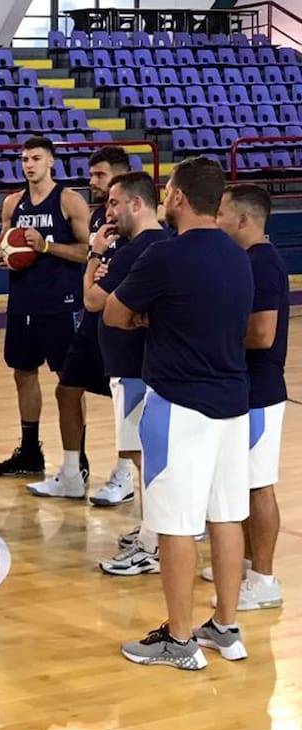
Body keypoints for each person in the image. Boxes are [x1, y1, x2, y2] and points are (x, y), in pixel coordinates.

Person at [104, 157, 253, 670]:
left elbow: (114, 313)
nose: (166, 196)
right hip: (235, 402)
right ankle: (227, 628)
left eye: (168, 189)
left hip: (180, 404)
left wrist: (151, 315)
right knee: (227, 516)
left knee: (174, 524)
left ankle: (180, 638)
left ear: (179, 199)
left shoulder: (165, 257)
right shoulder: (240, 257)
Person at [27, 145, 131, 500]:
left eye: (100, 174)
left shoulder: (139, 219)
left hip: (125, 317)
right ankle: (71, 473)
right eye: (92, 174)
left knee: (126, 400)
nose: (92, 181)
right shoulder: (99, 217)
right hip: (93, 315)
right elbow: (90, 261)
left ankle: (125, 475)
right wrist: (96, 263)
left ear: (120, 175)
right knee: (66, 389)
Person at [0, 136, 91, 477]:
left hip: (61, 302)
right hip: (23, 301)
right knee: (23, 373)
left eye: (35, 158)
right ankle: (30, 452)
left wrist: (46, 245)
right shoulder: (12, 203)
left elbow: (85, 252)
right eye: (24, 159)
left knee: (70, 380)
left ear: (51, 162)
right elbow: (5, 248)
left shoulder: (69, 201)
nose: (28, 164)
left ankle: (80, 457)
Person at [91, 172, 171, 577]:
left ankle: (154, 543)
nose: (108, 211)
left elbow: (91, 300)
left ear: (137, 204)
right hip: (143, 366)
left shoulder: (135, 250)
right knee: (149, 456)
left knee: (147, 458)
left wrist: (94, 255)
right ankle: (155, 533)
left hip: (134, 368)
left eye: (113, 203)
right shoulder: (165, 245)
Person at [212, 184, 287, 610]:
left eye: (222, 212)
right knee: (240, 480)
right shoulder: (246, 261)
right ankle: (241, 563)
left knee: (259, 484)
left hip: (260, 392)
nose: (217, 219)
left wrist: (212, 336)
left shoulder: (263, 264)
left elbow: (262, 334)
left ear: (242, 219)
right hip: (243, 389)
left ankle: (264, 579)